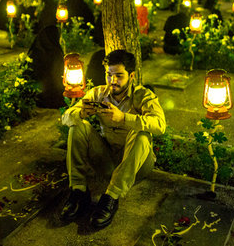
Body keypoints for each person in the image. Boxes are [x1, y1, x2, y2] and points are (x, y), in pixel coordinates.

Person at [59, 50, 166, 228]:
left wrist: (124, 118)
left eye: (118, 76)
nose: (112, 81)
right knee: (77, 125)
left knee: (141, 133)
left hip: (137, 165)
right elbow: (66, 118)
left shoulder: (144, 96)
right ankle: (78, 191)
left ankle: (111, 197)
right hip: (108, 160)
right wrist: (81, 112)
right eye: (109, 75)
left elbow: (160, 125)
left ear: (131, 75)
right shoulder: (98, 93)